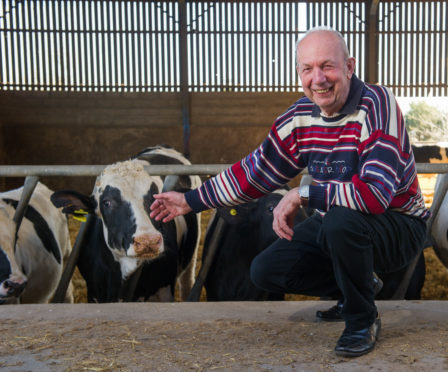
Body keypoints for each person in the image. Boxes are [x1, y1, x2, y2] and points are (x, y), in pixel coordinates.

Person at [150, 26, 429, 357]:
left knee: (341, 220)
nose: (318, 79)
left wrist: (303, 194)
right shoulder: (300, 118)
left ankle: (361, 319)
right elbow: (255, 171)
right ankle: (357, 288)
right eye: (307, 69)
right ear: (299, 73)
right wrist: (190, 201)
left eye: (327, 66)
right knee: (266, 270)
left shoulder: (377, 104)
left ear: (349, 67)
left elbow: (375, 195)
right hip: (338, 226)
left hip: (396, 225)